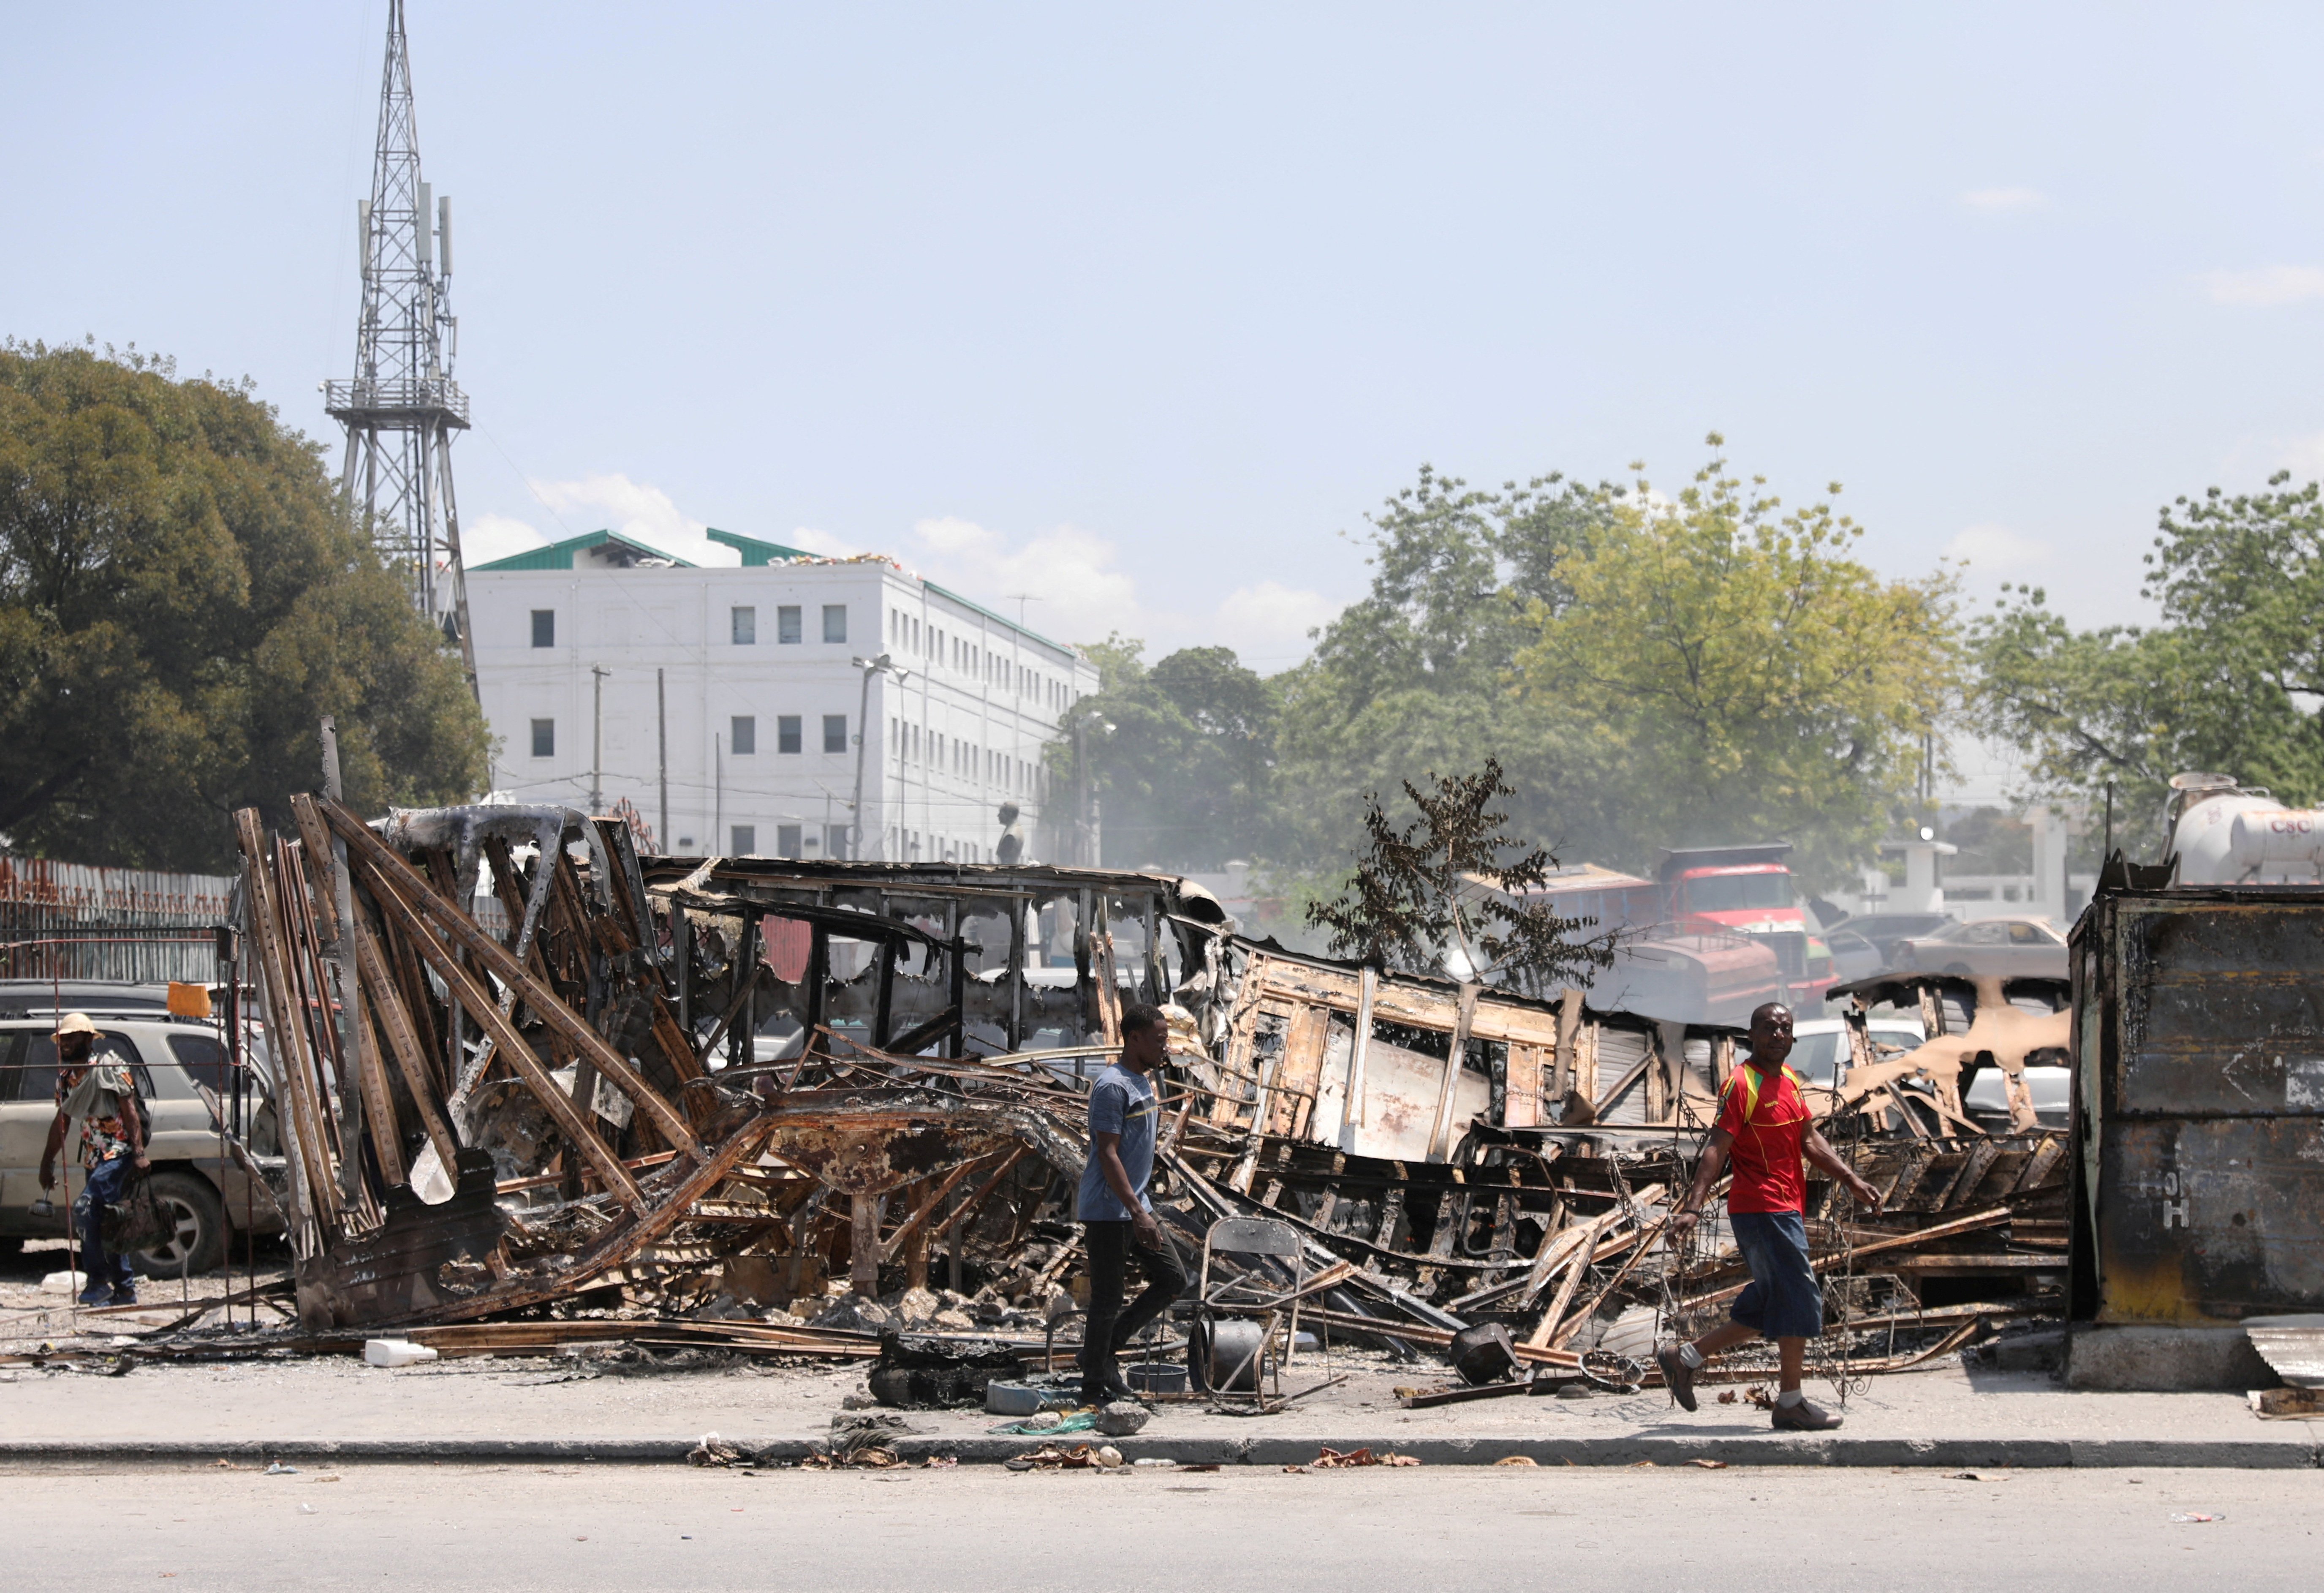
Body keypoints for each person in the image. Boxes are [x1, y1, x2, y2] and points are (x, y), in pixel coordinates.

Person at [1656, 1001, 1883, 1431]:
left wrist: (1851, 1179)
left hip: (1785, 1207)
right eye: (1768, 1028)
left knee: (1770, 1302)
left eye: (1784, 1028)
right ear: (1752, 1035)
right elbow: (1715, 1148)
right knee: (1798, 1297)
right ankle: (1790, 1403)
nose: (1777, 1035)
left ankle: (1683, 1358)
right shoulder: (1741, 1084)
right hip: (1761, 1209)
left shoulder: (1790, 1081)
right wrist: (1691, 1207)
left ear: (1792, 1037)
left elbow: (1809, 1140)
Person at [1075, 1001, 1188, 1405]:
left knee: (1174, 1279)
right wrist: (1138, 1213)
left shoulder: (1145, 1081)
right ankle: (1092, 1389)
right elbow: (1107, 1154)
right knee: (1107, 1297)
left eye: (1167, 1040)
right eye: (1159, 1040)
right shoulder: (1112, 1086)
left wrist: (1142, 1204)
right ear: (1134, 1038)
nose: (1166, 1048)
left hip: (1135, 1203)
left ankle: (1103, 1353)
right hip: (1109, 1209)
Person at [37, 1013, 149, 1307]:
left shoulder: (110, 1068)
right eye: (63, 1038)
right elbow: (62, 1123)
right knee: (106, 1221)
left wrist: (138, 1153)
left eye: (72, 1037)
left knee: (86, 1209)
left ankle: (98, 1282)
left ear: (88, 1039)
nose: (66, 1043)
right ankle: (124, 1290)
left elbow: (130, 1111)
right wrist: (47, 1161)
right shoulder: (66, 1079)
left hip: (118, 1153)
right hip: (93, 1158)